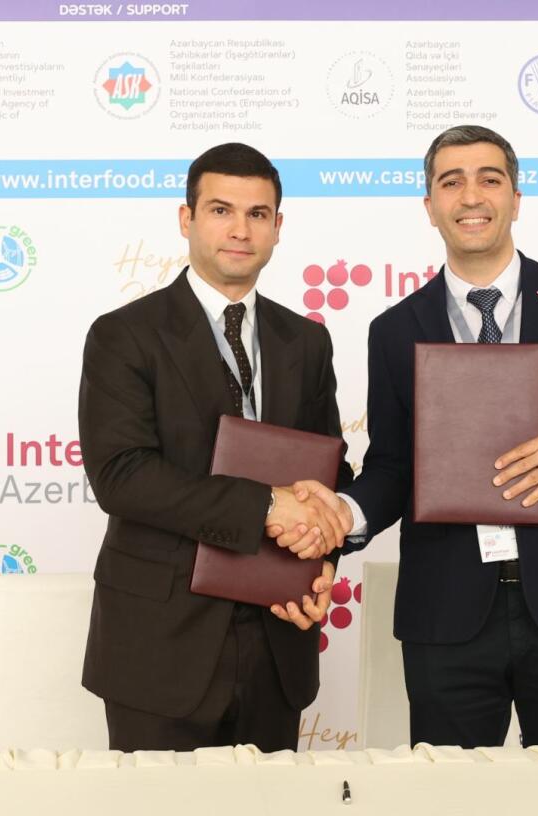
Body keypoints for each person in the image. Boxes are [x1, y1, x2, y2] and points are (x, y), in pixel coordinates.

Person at [293, 125, 538, 748]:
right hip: (445, 610)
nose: (471, 196)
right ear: (430, 206)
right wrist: (343, 513)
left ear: (516, 198)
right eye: (452, 182)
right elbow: (393, 466)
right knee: (450, 794)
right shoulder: (394, 331)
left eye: (489, 179)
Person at [77, 142, 352, 752]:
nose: (240, 230)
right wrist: (266, 505)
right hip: (160, 645)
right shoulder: (124, 334)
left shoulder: (306, 342)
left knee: (270, 800)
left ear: (278, 227)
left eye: (258, 214)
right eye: (221, 210)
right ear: (187, 219)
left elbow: (328, 474)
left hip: (279, 638)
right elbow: (122, 476)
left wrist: (324, 562)